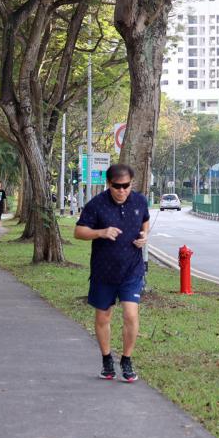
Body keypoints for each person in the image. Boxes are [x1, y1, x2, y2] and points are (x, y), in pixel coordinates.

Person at [73, 164, 149, 383]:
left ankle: (126, 360)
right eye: (117, 186)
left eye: (126, 186)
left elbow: (145, 221)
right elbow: (79, 232)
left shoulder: (140, 201)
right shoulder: (96, 205)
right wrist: (101, 232)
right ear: (109, 184)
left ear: (131, 184)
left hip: (132, 270)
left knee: (131, 314)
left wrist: (144, 237)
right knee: (103, 316)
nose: (122, 191)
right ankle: (107, 360)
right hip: (103, 271)